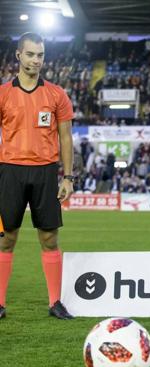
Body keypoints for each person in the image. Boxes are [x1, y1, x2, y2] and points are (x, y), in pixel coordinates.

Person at [0, 32, 75, 320]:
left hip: (45, 171)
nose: (36, 60)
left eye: (40, 55)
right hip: (9, 170)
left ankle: (55, 302)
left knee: (49, 238)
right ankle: (0, 303)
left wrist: (68, 177)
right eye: (30, 54)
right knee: (6, 238)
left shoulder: (57, 94)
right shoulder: (4, 93)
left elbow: (65, 138)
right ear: (18, 55)